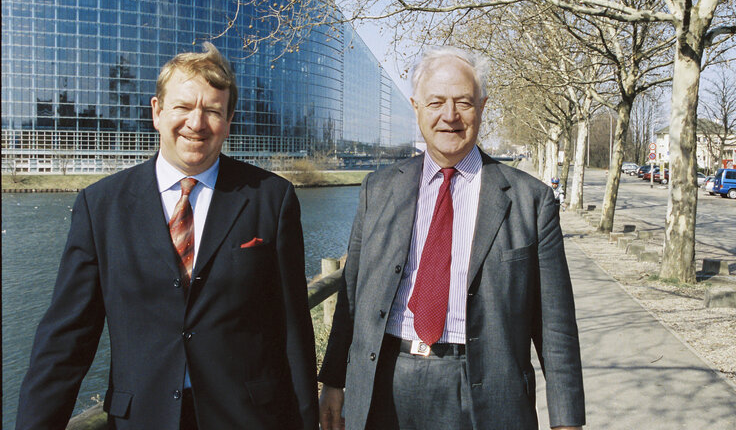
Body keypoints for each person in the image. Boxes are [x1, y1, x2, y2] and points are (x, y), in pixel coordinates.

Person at [16, 43, 319, 430]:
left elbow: (292, 328)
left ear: (228, 121)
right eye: (183, 107)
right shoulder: (101, 206)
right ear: (157, 112)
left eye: (212, 110)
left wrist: (307, 421)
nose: (196, 123)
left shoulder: (271, 199)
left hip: (247, 418)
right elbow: (66, 339)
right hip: (142, 417)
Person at [318, 46, 585, 430]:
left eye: (463, 102)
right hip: (384, 383)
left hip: (485, 394)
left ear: (482, 106)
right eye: (436, 102)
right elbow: (352, 294)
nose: (449, 116)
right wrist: (334, 381)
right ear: (416, 107)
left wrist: (567, 419)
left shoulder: (531, 201)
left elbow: (555, 324)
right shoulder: (377, 191)